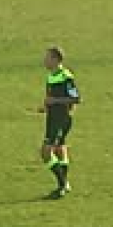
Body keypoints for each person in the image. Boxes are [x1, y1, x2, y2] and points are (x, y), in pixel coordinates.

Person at [40, 47, 81, 199]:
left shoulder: (66, 77)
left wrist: (54, 101)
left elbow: (76, 98)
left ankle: (62, 184)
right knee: (59, 149)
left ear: (56, 60)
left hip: (61, 119)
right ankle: (63, 184)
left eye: (47, 58)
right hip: (53, 118)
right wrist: (46, 106)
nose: (44, 61)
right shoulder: (52, 75)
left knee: (45, 153)